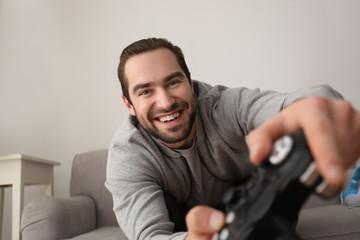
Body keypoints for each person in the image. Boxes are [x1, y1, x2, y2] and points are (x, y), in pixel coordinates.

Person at [105, 38, 360, 240]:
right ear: (128, 104)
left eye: (173, 82)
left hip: (255, 211)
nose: (166, 101)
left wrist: (321, 108)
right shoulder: (127, 156)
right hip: (186, 230)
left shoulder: (224, 106)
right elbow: (150, 236)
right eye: (146, 91)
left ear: (190, 84)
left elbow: (288, 105)